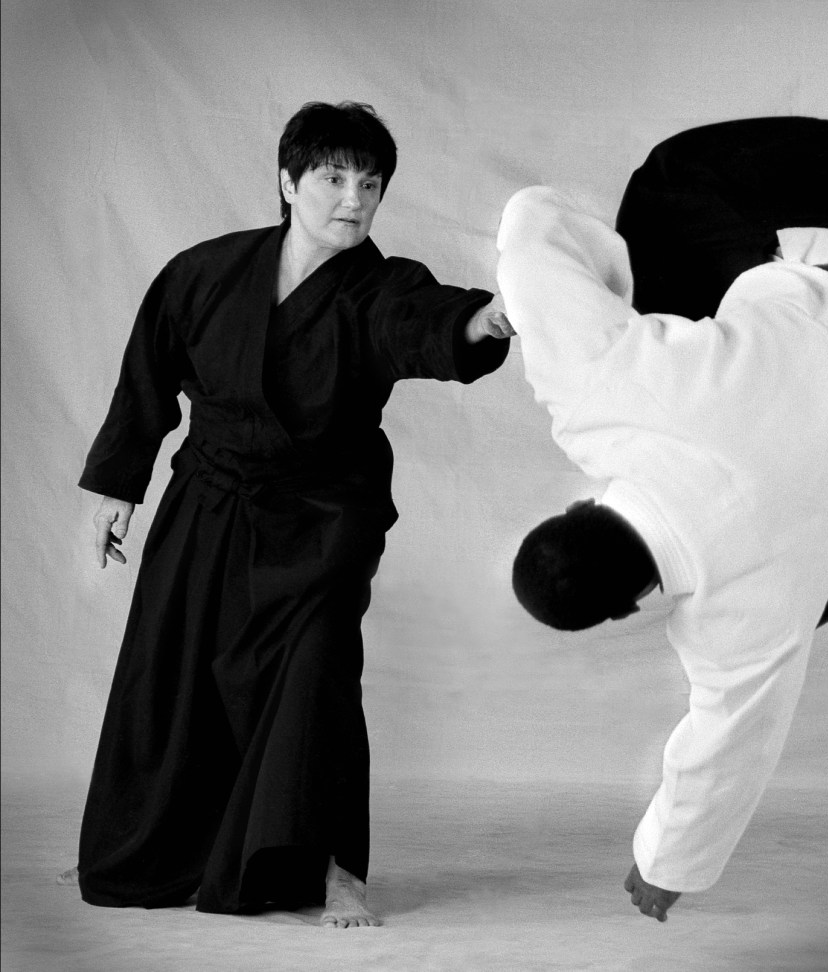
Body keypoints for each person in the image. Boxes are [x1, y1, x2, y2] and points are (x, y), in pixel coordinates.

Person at [497, 40, 828, 922]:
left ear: (627, 609)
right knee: (668, 187)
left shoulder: (733, 626)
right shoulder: (600, 401)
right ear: (577, 505)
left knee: (804, 589)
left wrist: (668, 863)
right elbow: (533, 223)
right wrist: (607, 288)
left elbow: (732, 740)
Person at [62, 101, 514, 927]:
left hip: (322, 517)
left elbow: (425, 323)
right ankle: (148, 849)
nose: (353, 199)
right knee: (171, 670)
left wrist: (483, 320)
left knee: (316, 672)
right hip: (208, 500)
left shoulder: (379, 288)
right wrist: (116, 488)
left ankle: (333, 869)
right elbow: (147, 374)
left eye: (370, 184)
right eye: (334, 178)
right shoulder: (207, 272)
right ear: (288, 181)